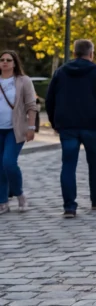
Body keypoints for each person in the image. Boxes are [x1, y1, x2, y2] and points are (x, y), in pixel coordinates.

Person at [45, 39, 96, 218]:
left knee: (68, 165)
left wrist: (55, 123)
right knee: (95, 163)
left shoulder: (60, 72)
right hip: (92, 126)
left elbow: (50, 100)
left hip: (67, 126)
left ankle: (69, 206)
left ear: (74, 52)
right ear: (91, 53)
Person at [0, 50, 39, 214]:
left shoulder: (23, 81)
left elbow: (31, 106)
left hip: (15, 129)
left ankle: (20, 194)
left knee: (8, 163)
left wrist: (31, 128)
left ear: (15, 63)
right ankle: (2, 202)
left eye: (9, 60)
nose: (5, 62)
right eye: (2, 60)